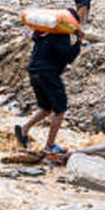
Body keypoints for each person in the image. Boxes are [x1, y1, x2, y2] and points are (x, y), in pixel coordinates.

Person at [15, 17, 84, 153]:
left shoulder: (43, 32)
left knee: (47, 107)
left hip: (34, 73)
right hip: (48, 74)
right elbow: (68, 57)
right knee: (60, 109)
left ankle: (24, 129)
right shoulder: (61, 35)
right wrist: (78, 41)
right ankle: (49, 146)